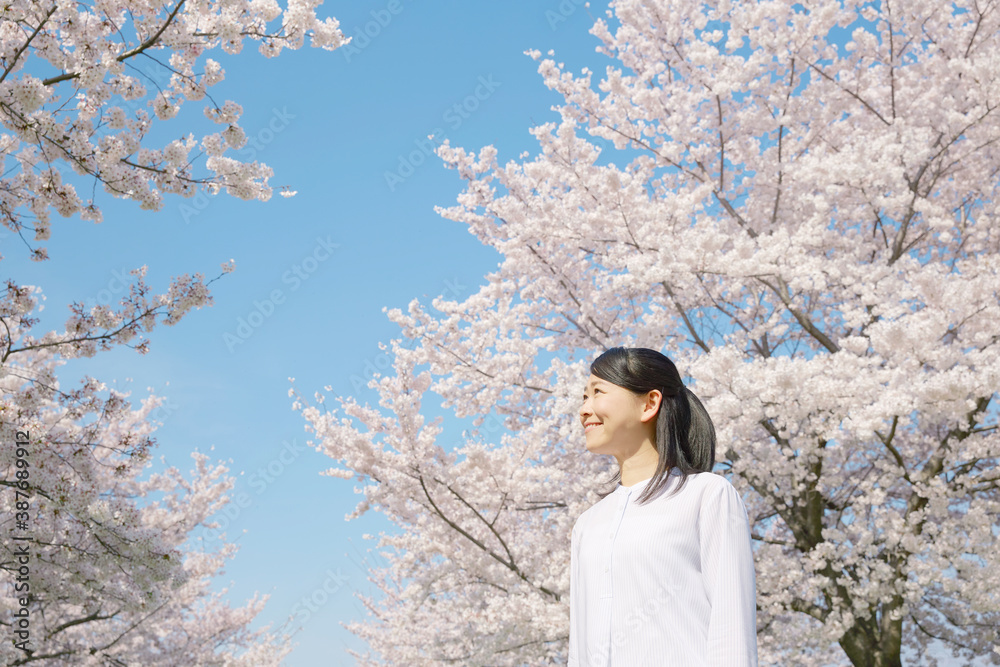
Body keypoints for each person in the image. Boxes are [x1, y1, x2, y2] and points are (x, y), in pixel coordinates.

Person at [568, 346, 757, 666]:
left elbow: (731, 630)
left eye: (597, 392)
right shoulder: (588, 524)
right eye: (584, 397)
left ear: (650, 403)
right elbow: (579, 650)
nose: (585, 409)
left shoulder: (707, 496)